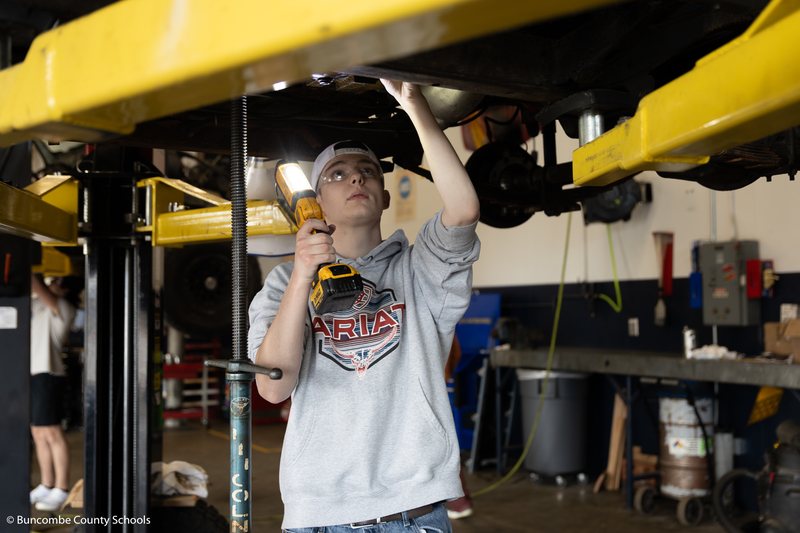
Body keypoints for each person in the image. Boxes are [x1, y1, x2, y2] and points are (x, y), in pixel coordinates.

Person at [248, 79, 480, 532]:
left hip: (414, 512)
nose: (356, 177)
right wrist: (302, 275)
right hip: (320, 514)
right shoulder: (281, 284)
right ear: (315, 202)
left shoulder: (420, 269)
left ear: (385, 196)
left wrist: (415, 107)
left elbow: (465, 208)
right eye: (337, 173)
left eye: (367, 171)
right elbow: (273, 387)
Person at [29, 273, 82, 512]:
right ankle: (46, 483)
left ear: (65, 291)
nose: (52, 282)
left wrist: (30, 267)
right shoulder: (40, 305)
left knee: (52, 432)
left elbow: (34, 283)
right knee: (38, 433)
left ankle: (61, 488)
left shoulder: (64, 307)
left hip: (48, 375)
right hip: (33, 375)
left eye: (58, 282)